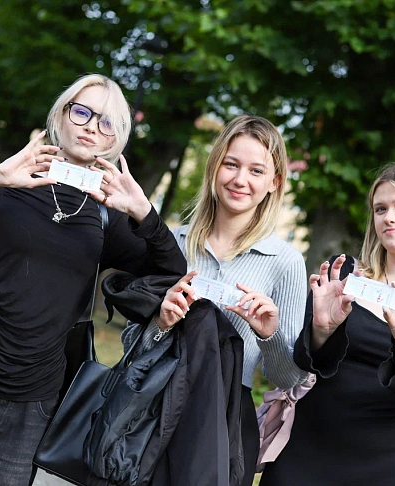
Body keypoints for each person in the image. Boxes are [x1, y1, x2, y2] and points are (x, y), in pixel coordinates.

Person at [0, 73, 187, 486]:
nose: (90, 126)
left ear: (115, 139)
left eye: (106, 122)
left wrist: (144, 216)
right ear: (60, 116)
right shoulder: (7, 182)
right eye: (82, 111)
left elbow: (172, 271)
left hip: (34, 406)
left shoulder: (106, 214)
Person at [259, 161, 395, 486]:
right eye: (380, 208)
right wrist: (322, 329)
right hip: (305, 453)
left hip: (383, 467)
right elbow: (302, 364)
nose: (389, 217)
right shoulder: (343, 275)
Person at [125, 114, 310, 486]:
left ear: (274, 183)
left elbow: (288, 378)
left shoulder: (287, 263)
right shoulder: (173, 243)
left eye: (256, 171)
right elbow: (131, 343)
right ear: (214, 169)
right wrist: (161, 323)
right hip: (152, 409)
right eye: (231, 164)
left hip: (224, 422)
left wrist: (269, 334)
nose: (240, 180)